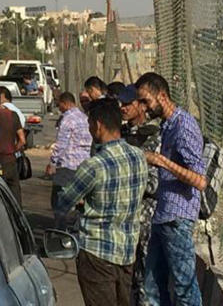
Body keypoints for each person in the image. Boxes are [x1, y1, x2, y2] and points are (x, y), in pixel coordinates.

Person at [57, 98, 148, 306]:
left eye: (90, 125)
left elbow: (63, 202)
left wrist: (81, 203)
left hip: (97, 252)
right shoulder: (139, 157)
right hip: (127, 252)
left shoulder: (94, 166)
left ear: (98, 125)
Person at [135, 73, 206, 306]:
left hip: (177, 217)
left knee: (184, 287)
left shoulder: (184, 125)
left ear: (162, 95)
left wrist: (162, 161)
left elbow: (199, 180)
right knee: (152, 286)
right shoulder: (167, 125)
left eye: (146, 101)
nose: (143, 108)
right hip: (163, 215)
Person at [117, 85, 162, 306]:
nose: (123, 108)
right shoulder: (125, 134)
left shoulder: (154, 136)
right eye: (121, 104)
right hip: (126, 219)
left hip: (146, 218)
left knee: (147, 283)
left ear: (141, 106)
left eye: (127, 103)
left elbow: (153, 184)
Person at [44, 92, 92, 228]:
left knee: (59, 200)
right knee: (80, 199)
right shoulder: (84, 118)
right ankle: (78, 228)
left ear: (65, 103)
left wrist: (53, 162)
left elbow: (61, 143)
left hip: (67, 165)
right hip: (84, 165)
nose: (58, 107)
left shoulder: (67, 119)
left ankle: (61, 231)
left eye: (59, 104)